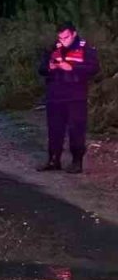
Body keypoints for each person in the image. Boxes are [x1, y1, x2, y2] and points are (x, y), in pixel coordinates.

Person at [37, 22, 100, 173]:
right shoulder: (54, 48)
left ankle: (77, 162)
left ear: (74, 34)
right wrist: (49, 67)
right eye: (60, 37)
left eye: (66, 37)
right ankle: (53, 160)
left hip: (75, 97)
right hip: (55, 96)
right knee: (54, 130)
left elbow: (94, 68)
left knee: (76, 130)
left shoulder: (85, 48)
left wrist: (72, 67)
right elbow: (41, 69)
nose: (63, 40)